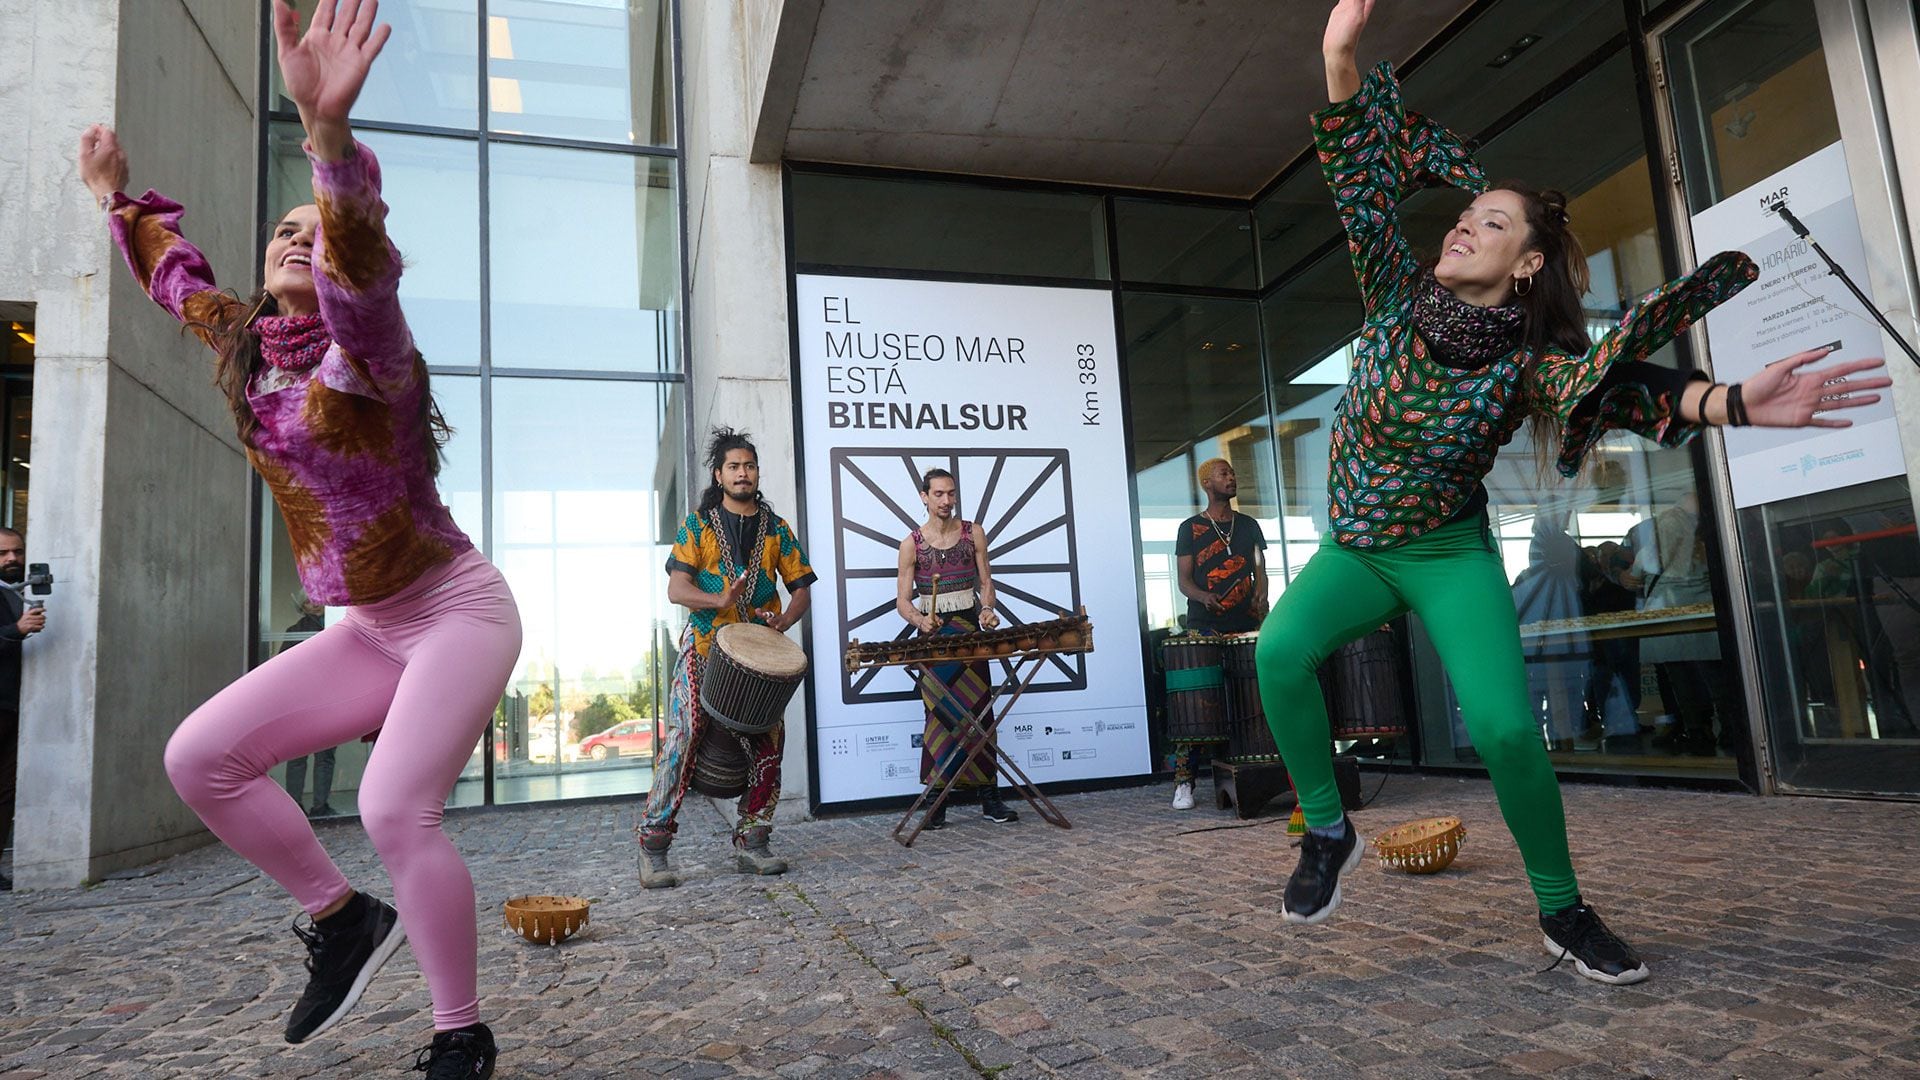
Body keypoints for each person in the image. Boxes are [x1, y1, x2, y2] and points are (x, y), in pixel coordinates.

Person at [1258, 0, 1891, 986]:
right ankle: (1327, 830)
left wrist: (1733, 400)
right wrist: (1340, 54)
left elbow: (1622, 388)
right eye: (1467, 216)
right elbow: (1356, 180)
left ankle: (1563, 909)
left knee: (1509, 731)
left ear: (1530, 262)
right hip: (1355, 550)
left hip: (1447, 555)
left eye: (1493, 224)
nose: (1466, 227)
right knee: (1278, 653)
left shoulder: (1533, 357)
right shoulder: (1390, 287)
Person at [80, 2, 522, 1073]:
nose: (293, 233)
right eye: (281, 225)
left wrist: (326, 139)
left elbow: (363, 276)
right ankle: (341, 921)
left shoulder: (368, 358)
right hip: (370, 628)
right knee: (201, 757)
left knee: (390, 806)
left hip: (456, 610)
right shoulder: (249, 348)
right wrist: (113, 196)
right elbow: (177, 276)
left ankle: (460, 1036)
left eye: (309, 227)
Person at [638, 428, 815, 888]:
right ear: (719, 475)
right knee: (687, 732)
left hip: (760, 656)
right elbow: (677, 589)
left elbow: (801, 590)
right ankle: (654, 843)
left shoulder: (777, 529)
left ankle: (753, 842)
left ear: (757, 473)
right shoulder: (697, 526)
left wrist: (783, 622)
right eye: (734, 466)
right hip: (704, 647)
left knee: (769, 742)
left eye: (749, 466)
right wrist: (718, 602)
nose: (743, 473)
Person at [895, 468, 1018, 829]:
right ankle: (936, 803)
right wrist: (920, 620)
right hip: (933, 639)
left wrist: (987, 609)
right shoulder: (911, 544)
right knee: (940, 718)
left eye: (951, 493)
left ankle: (990, 799)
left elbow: (986, 581)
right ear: (924, 497)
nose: (946, 501)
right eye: (938, 494)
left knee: (981, 716)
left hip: (969, 634)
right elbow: (902, 600)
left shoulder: (973, 532)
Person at [1169, 458, 1267, 809]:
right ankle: (1185, 783)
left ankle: (1260, 768)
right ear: (1207, 484)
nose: (1232, 477)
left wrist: (1262, 596)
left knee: (1254, 698)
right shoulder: (1190, 528)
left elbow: (1259, 567)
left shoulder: (1249, 525)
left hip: (1244, 623)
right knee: (1195, 704)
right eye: (1224, 474)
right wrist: (1202, 596)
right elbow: (1184, 581)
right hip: (1204, 626)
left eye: (1232, 471)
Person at [1, 526, 47, 892]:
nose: (12, 559)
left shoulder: (17, 594)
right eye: (3, 553)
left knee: (5, 791)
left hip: (13, 706)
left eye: (17, 552)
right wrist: (15, 630)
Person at [278, 593, 338, 816]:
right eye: (309, 601)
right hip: (315, 700)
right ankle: (316, 806)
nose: (315, 604)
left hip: (307, 701)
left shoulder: (329, 628)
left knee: (307, 757)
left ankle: (302, 806)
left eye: (317, 600)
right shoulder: (300, 631)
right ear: (303, 606)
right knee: (316, 757)